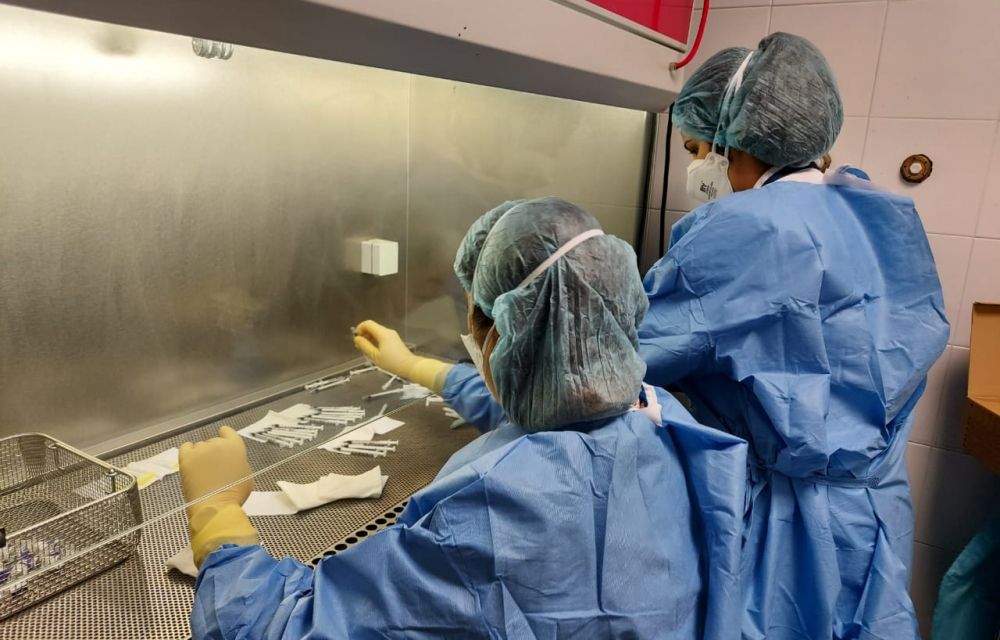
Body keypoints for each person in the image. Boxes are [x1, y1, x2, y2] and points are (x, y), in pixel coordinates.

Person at [179, 197, 749, 639]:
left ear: (504, 337)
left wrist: (217, 515)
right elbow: (546, 408)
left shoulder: (493, 515)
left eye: (474, 319)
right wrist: (415, 366)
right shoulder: (659, 420)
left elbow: (285, 628)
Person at [639, 32, 950, 640]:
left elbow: (623, 361)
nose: (698, 170)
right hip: (873, 509)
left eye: (697, 149)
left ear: (735, 140)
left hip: (791, 523)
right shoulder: (874, 212)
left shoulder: (744, 229)